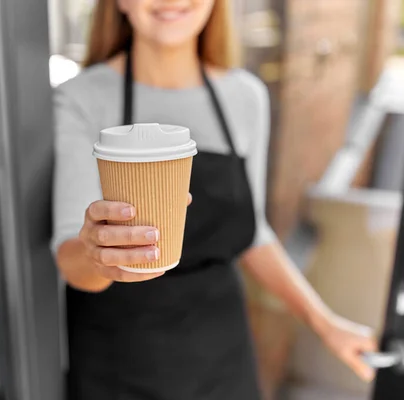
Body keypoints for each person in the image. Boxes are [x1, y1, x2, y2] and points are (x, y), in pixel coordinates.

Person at [52, 1, 377, 399]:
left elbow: (253, 233)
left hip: (222, 351)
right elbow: (71, 256)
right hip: (119, 357)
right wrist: (98, 254)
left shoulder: (244, 96)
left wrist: (325, 322)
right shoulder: (80, 98)